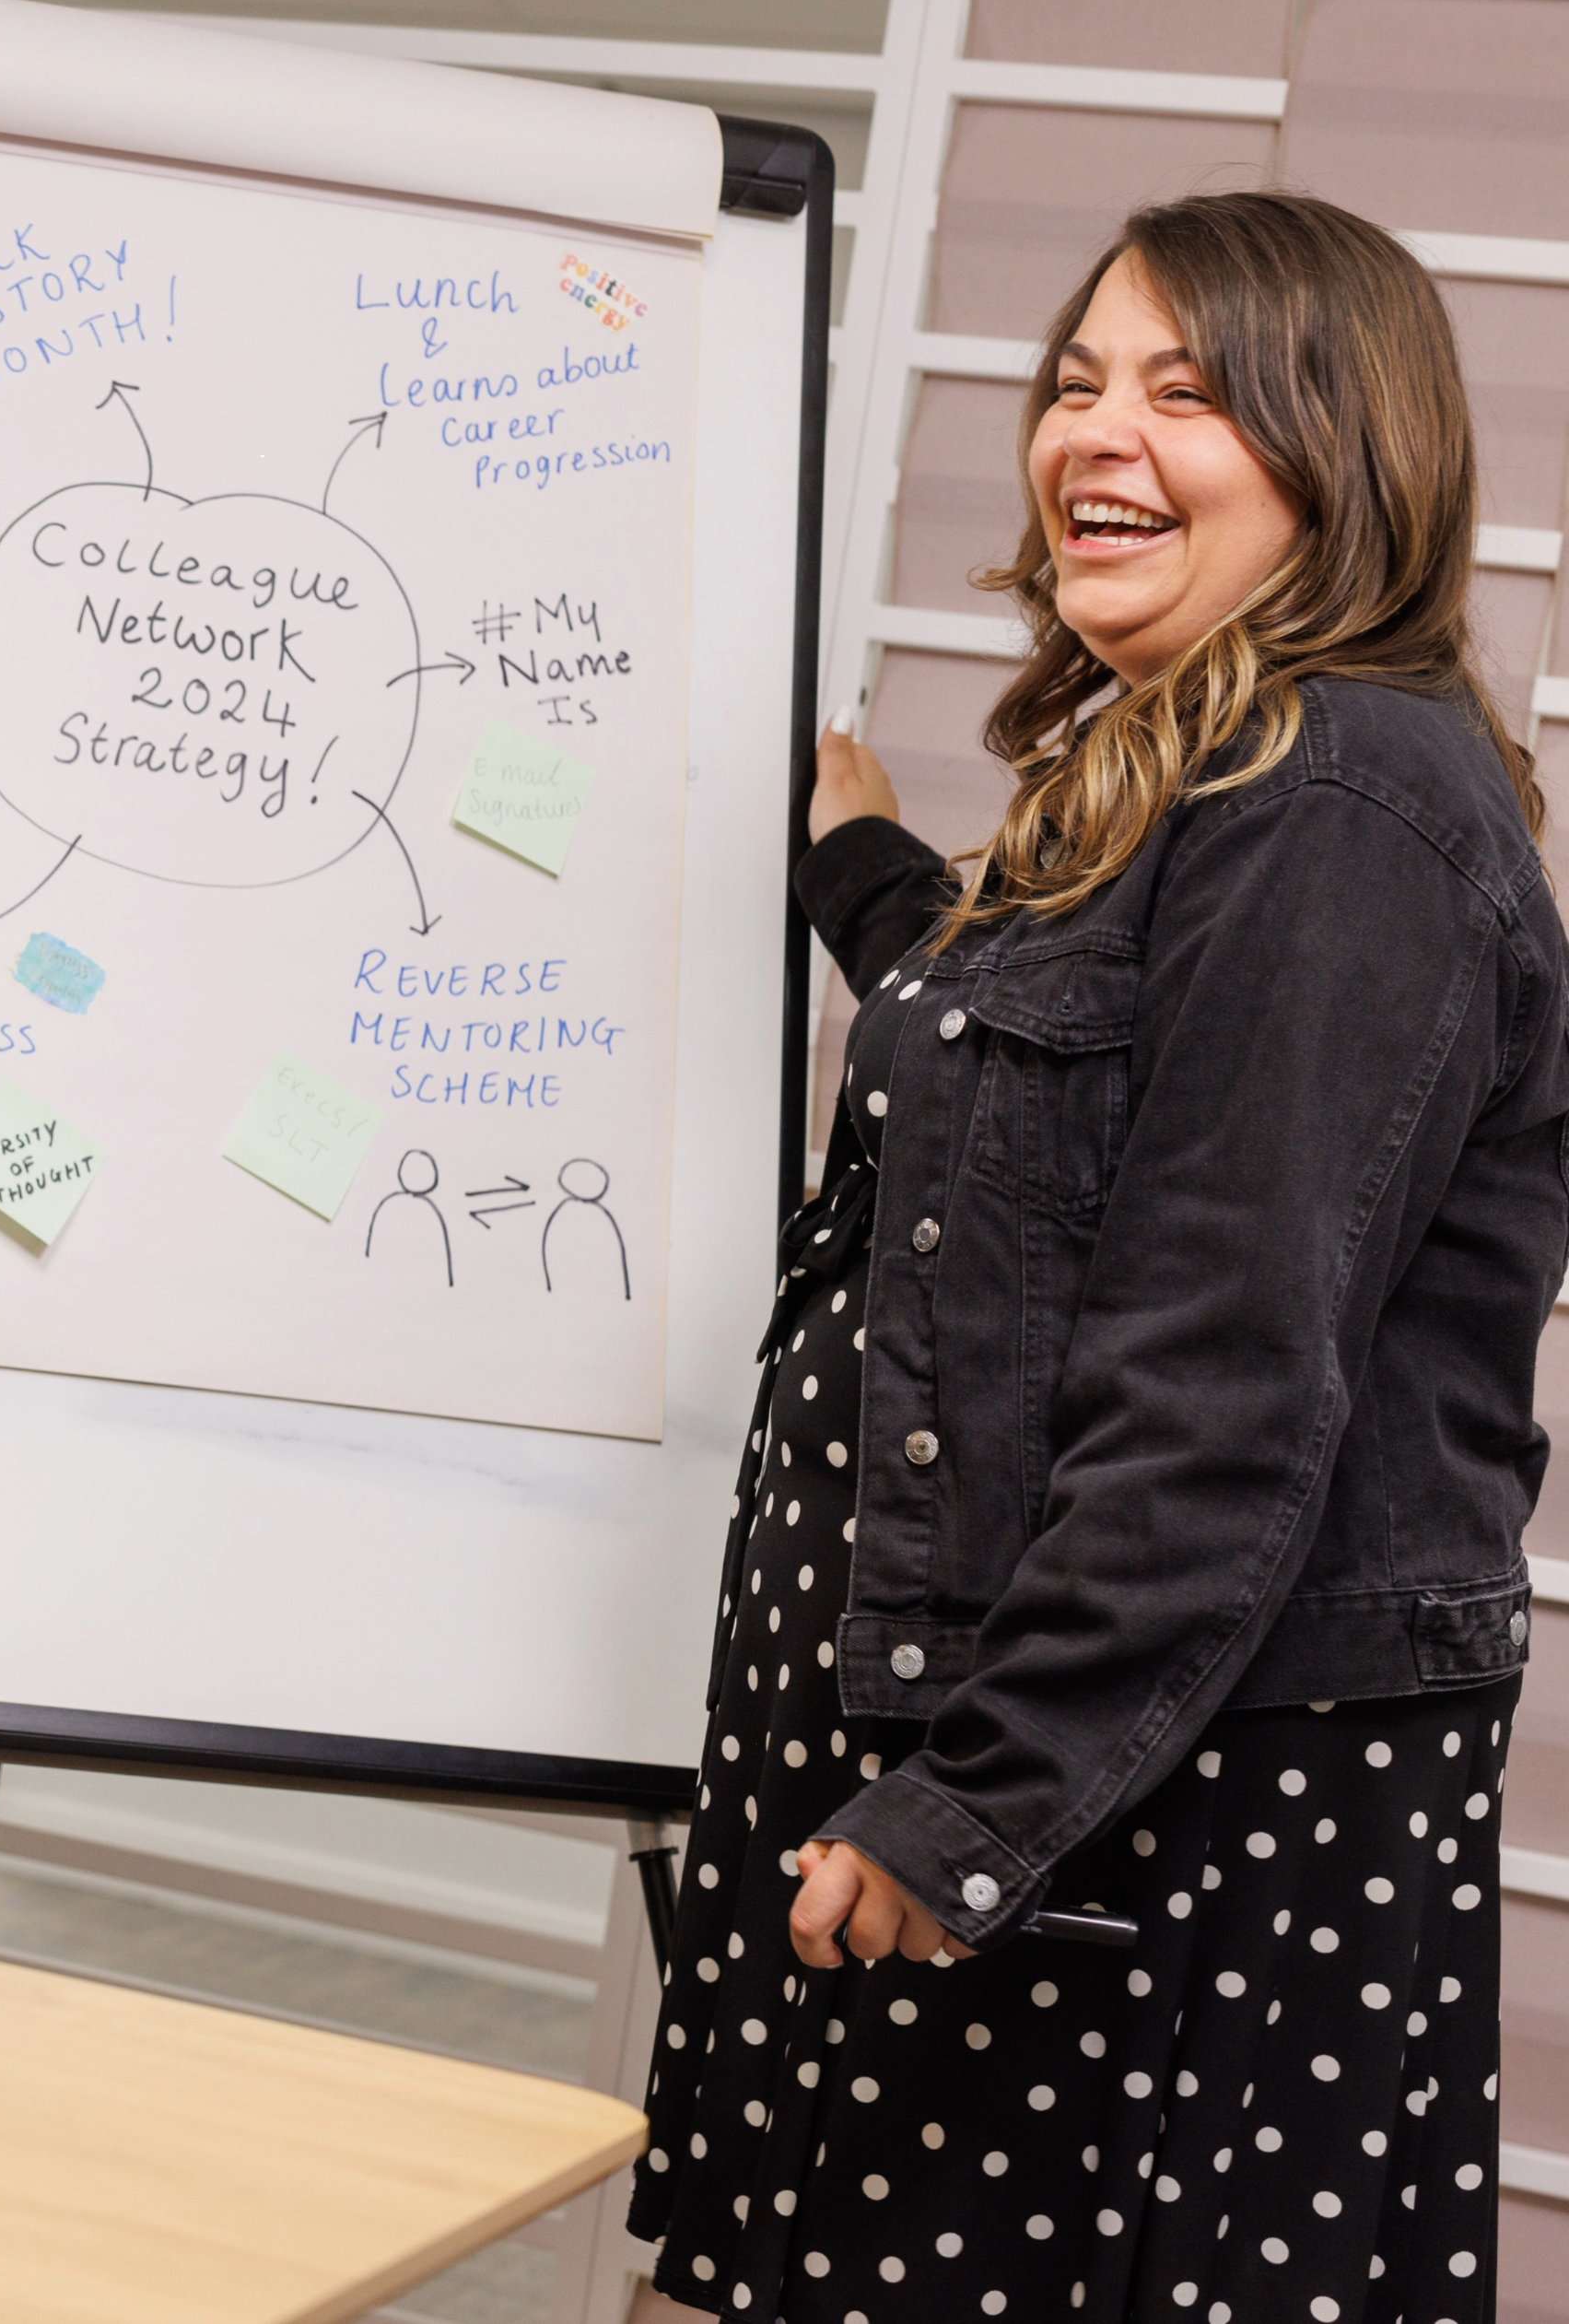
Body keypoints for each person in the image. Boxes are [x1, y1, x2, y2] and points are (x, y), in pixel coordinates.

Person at [634, 191, 1551, 2316]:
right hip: (1019, 1787)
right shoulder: (1177, 776)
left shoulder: (1338, 805)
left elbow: (1225, 1382)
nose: (1093, 432)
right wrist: (861, 860)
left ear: (1345, 454)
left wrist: (972, 1803)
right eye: (1072, 382)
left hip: (1132, 1825)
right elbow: (1051, 1099)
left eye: (1188, 390)